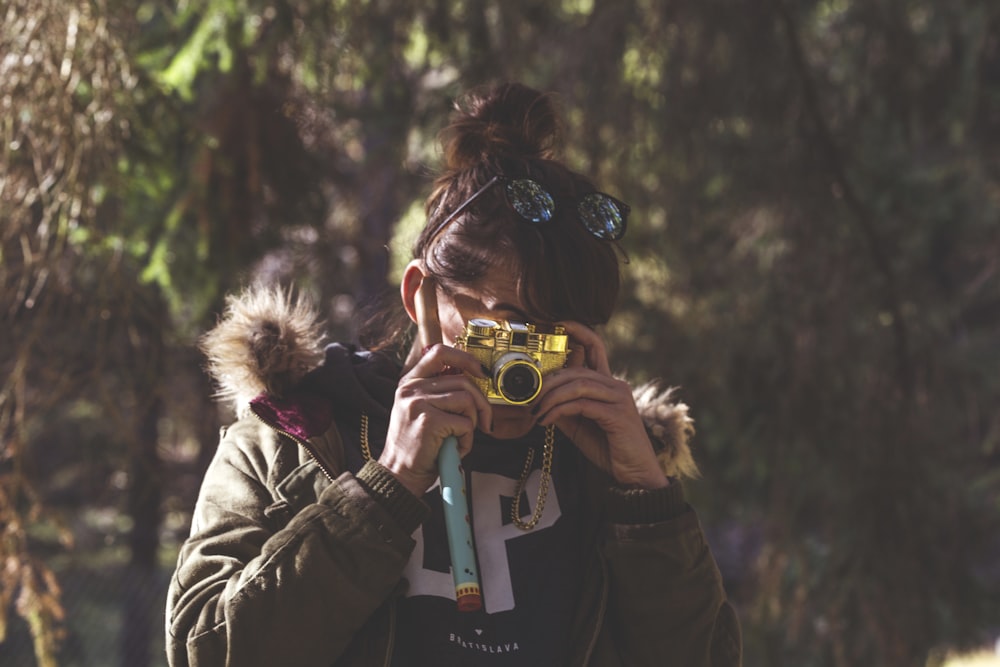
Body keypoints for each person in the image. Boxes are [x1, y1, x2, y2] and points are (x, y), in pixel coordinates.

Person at [166, 81, 742, 667]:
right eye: (513, 325)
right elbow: (203, 651)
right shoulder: (298, 434)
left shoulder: (605, 464)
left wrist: (645, 501)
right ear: (423, 297)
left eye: (563, 332)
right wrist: (381, 492)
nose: (536, 356)